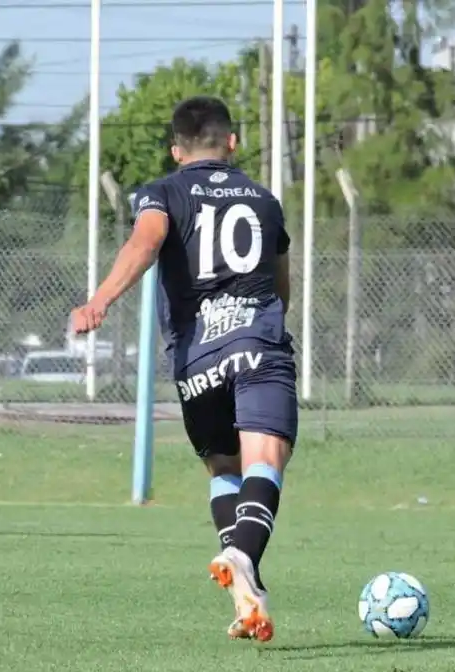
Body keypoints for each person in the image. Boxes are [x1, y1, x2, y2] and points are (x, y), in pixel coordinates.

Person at [71, 97, 296, 642]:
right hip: (258, 345)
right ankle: (242, 554)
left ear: (177, 151)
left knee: (224, 470)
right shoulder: (265, 202)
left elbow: (145, 241)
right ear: (232, 143)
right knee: (265, 460)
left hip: (197, 361)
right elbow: (282, 289)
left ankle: (247, 591)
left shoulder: (163, 191)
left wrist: (100, 300)